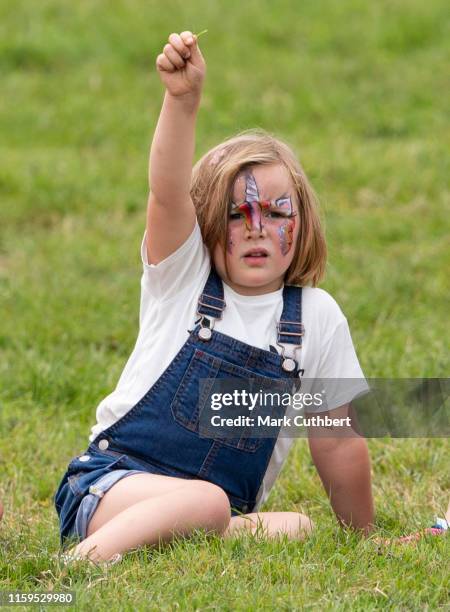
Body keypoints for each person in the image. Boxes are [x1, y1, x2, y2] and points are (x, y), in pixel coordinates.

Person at [54, 30, 373, 564]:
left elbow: (338, 443)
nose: (255, 228)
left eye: (275, 212)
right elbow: (167, 190)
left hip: (219, 512)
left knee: (295, 525)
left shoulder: (317, 317)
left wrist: (366, 541)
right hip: (114, 489)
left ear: (303, 220)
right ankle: (78, 565)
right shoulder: (181, 276)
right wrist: (182, 100)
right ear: (204, 224)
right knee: (207, 501)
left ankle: (173, 545)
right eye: (235, 214)